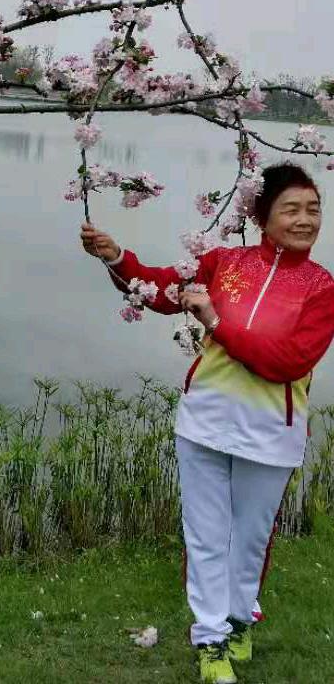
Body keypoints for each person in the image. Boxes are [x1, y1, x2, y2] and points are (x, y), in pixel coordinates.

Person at [80, 162, 334, 684]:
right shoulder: (225, 262)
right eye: (291, 209)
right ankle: (212, 637)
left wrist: (216, 322)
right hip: (204, 422)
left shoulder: (320, 288)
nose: (304, 219)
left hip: (271, 430)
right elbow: (159, 289)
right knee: (205, 535)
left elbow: (288, 361)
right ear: (263, 218)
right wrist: (117, 259)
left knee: (251, 537)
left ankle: (240, 620)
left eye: (313, 209)